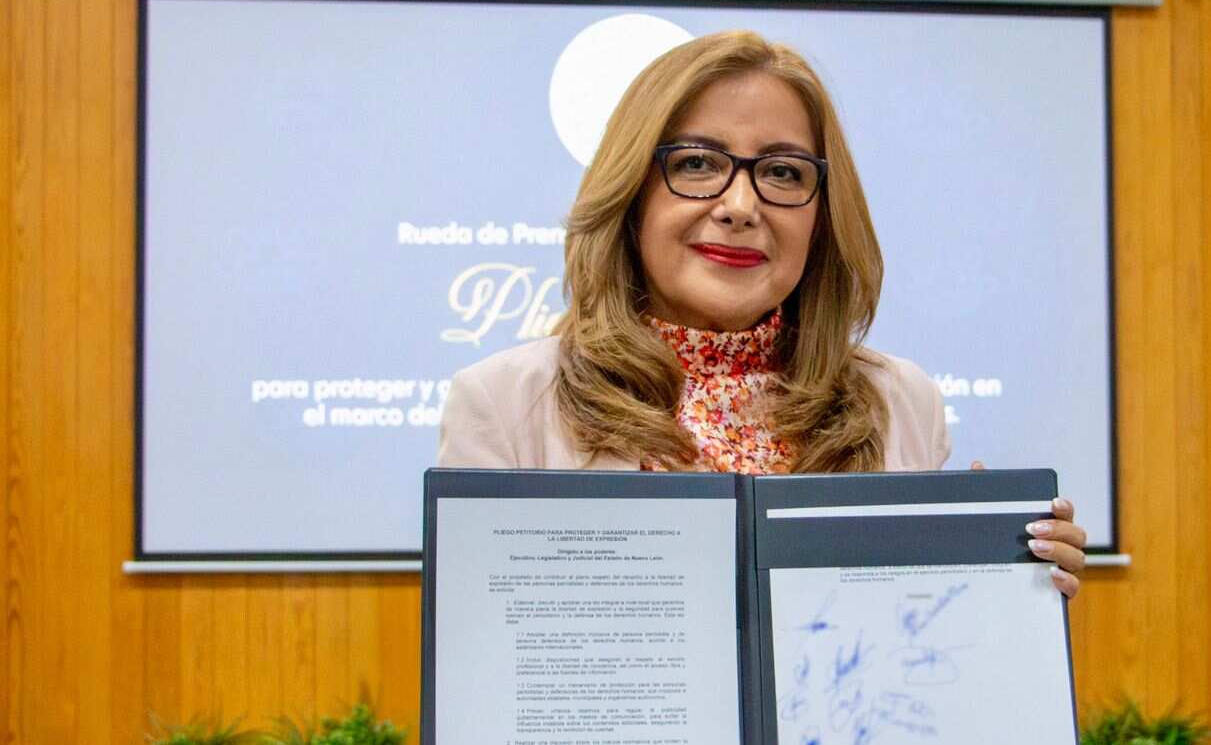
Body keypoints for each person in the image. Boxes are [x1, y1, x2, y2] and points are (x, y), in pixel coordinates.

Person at [437, 30, 1086, 597]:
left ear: (821, 214)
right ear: (630, 194)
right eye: (696, 163)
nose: (742, 205)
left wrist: (1000, 586)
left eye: (782, 172)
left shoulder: (903, 402)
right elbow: (489, 671)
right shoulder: (501, 403)